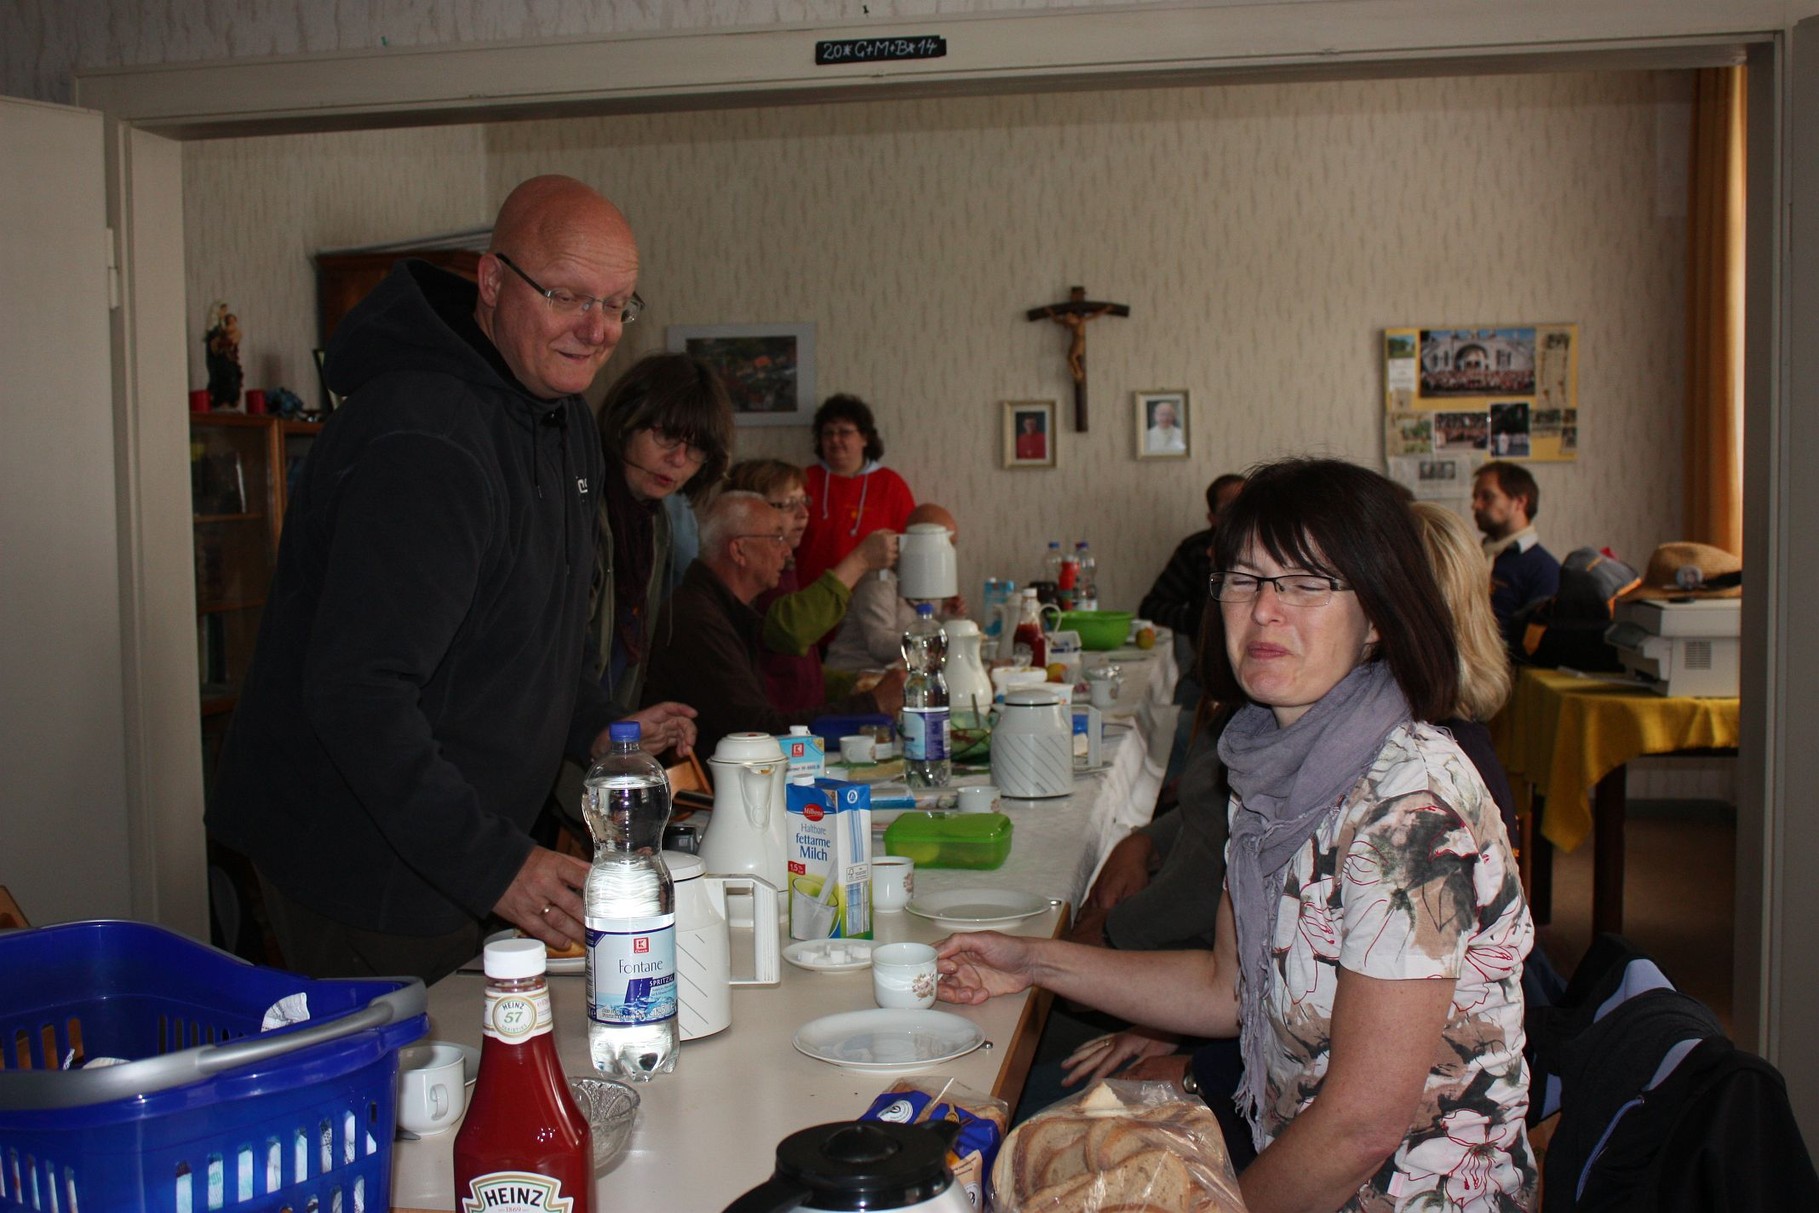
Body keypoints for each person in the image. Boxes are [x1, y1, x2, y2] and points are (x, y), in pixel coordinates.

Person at [937, 456, 1535, 1211]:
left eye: (1306, 583)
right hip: (1289, 1151)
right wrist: (1030, 960)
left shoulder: (1407, 809)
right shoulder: (1275, 764)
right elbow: (1226, 987)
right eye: (1245, 579)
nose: (1264, 610)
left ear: (1378, 615)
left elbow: (1362, 1124)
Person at [207, 176, 697, 985]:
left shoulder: (562, 417)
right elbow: (358, 692)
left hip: (457, 838)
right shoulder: (423, 440)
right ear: (494, 281)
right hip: (361, 852)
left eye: (618, 304)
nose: (598, 329)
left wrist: (606, 732)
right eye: (569, 296)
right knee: (420, 1094)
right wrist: (499, 863)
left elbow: (545, 636)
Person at [641, 491, 908, 754]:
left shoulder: (727, 612)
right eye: (776, 538)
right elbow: (756, 732)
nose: (787, 550)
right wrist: (873, 704)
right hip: (710, 792)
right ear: (739, 550)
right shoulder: (698, 620)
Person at [588, 352, 733, 714]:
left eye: (696, 447)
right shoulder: (579, 509)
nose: (679, 459)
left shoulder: (656, 524)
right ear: (626, 422)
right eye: (667, 435)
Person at [724, 458, 898, 711]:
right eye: (788, 504)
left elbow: (792, 665)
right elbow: (792, 631)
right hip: (773, 734)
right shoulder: (749, 571)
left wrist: (853, 682)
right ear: (751, 511)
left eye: (804, 501)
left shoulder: (785, 565)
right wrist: (860, 560)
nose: (804, 514)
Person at [824, 503, 968, 672]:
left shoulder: (930, 582)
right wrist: (936, 642)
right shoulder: (878, 579)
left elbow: (923, 629)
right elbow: (879, 644)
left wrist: (947, 618)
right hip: (856, 675)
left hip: (895, 676)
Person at [796, 394, 916, 591]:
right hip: (812, 599)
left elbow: (909, 549)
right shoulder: (802, 481)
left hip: (871, 602)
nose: (835, 440)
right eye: (828, 433)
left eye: (844, 432)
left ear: (865, 438)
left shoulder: (891, 484)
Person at [1473, 459, 1560, 656]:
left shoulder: (1543, 569)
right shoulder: (1475, 557)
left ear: (1520, 501)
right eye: (1475, 497)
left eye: (1487, 497)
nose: (1476, 505)